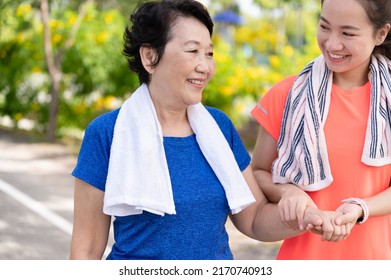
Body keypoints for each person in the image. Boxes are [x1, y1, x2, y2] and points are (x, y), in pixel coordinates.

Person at [69, 0, 323, 260]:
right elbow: (86, 250)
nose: (205, 66)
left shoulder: (219, 128)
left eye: (209, 53)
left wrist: (303, 218)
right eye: (193, 51)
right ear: (149, 57)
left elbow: (255, 218)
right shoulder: (107, 134)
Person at [251, 0, 391, 259]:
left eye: (347, 33)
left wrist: (362, 208)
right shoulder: (285, 95)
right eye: (325, 27)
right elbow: (258, 171)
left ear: (381, 34)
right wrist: (289, 191)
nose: (332, 43)